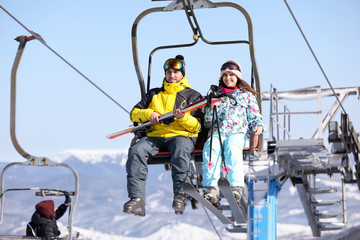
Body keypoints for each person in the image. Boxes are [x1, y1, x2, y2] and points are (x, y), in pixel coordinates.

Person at [123, 55, 203, 216]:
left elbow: (198, 125)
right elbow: (134, 113)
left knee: (181, 152)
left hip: (181, 135)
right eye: (169, 72)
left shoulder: (192, 96)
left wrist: (183, 118)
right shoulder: (154, 94)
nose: (172, 75)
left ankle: (180, 195)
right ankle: (137, 199)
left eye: (175, 72)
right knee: (136, 151)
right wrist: (149, 114)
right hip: (156, 135)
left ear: (182, 74)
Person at [202, 59, 265, 207]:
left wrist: (259, 128)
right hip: (219, 132)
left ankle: (236, 187)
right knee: (210, 149)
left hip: (238, 132)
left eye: (231, 74)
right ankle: (212, 189)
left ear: (237, 77)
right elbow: (207, 122)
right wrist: (211, 108)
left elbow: (255, 116)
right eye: (225, 75)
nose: (228, 78)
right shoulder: (215, 95)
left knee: (232, 147)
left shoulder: (246, 96)